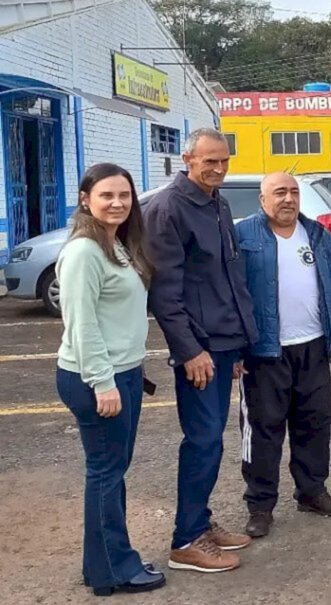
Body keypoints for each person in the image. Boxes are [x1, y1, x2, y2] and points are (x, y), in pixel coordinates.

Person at [146, 128, 258, 572]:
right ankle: (185, 541)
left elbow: (227, 278)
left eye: (224, 161)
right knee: (203, 439)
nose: (218, 168)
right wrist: (190, 351)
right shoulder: (168, 209)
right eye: (209, 161)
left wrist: (238, 342)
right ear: (188, 158)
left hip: (224, 344)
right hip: (200, 351)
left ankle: (201, 522)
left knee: (213, 441)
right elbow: (165, 294)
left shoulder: (217, 202)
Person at [56, 163, 165, 597]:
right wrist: (103, 383)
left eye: (124, 195)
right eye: (106, 196)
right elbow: (81, 325)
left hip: (123, 372)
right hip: (96, 378)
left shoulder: (115, 244)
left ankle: (101, 564)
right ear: (86, 199)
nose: (117, 203)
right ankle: (114, 571)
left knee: (111, 472)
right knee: (105, 475)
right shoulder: (84, 252)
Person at [235, 173, 331, 538]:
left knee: (315, 423)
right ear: (262, 198)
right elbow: (234, 294)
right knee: (263, 430)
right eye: (279, 192)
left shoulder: (316, 234)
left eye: (293, 192)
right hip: (265, 351)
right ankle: (260, 505)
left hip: (313, 346)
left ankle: (312, 491)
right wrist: (237, 349)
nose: (288, 199)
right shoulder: (245, 236)